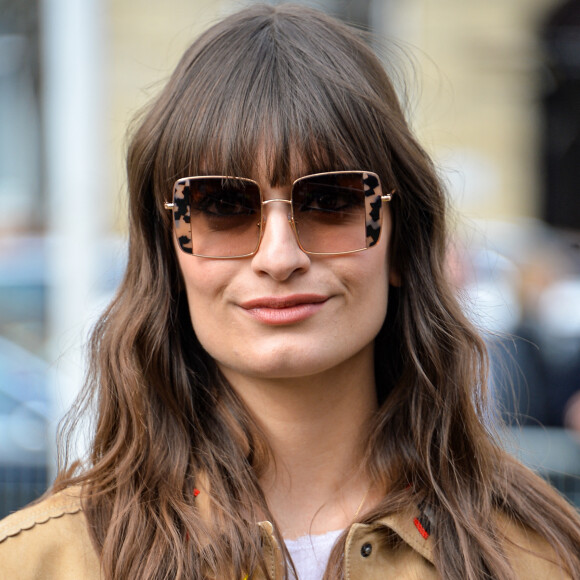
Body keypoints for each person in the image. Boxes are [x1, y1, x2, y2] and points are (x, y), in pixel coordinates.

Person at [1, 4, 579, 579]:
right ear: (168, 255)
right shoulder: (39, 564)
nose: (279, 257)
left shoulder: (542, 559)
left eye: (331, 201)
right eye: (221, 205)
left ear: (402, 245)